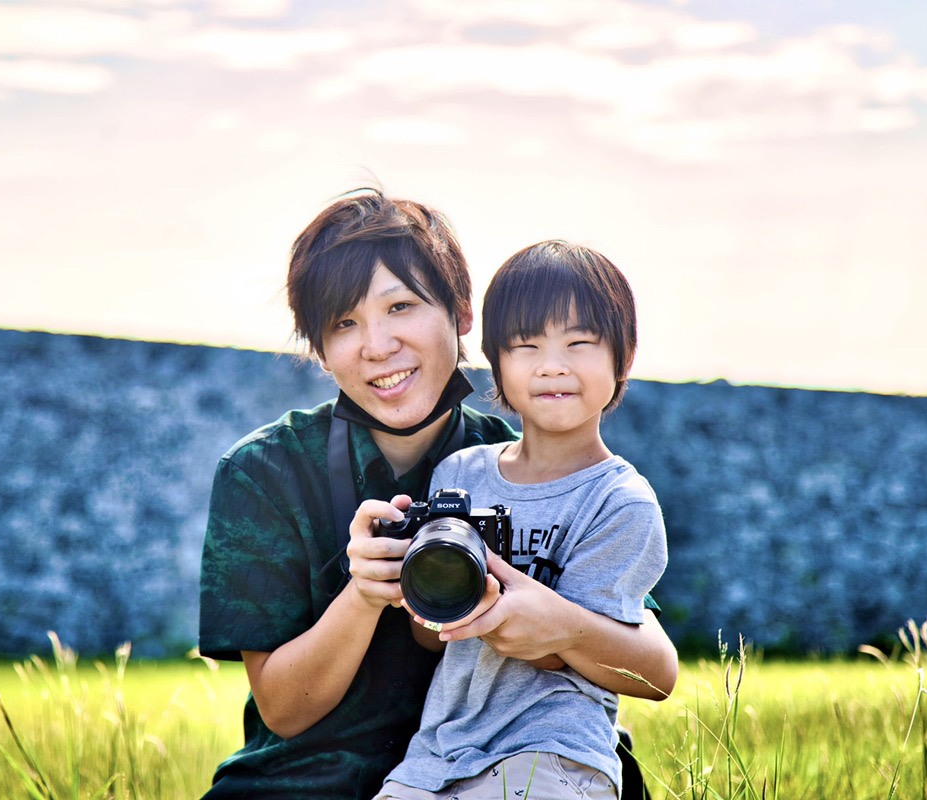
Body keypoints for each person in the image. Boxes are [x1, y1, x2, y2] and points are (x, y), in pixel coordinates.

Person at [198, 191, 677, 800]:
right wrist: (364, 593)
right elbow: (285, 712)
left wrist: (553, 628)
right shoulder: (265, 471)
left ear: (462, 313)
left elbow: (646, 654)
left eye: (400, 306)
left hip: (508, 765)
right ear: (318, 350)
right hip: (312, 780)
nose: (377, 345)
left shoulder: (527, 463)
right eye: (344, 323)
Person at [369, 240, 675, 800]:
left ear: (624, 357)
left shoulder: (618, 501)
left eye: (579, 343)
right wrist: (413, 580)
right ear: (497, 363)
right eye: (526, 345)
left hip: (554, 750)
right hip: (437, 755)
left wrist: (522, 614)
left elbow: (608, 660)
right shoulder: (459, 473)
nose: (552, 365)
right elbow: (430, 635)